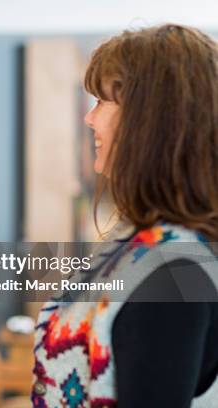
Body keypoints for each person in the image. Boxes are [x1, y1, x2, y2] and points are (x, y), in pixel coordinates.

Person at [32, 24, 218, 407]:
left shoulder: (174, 269)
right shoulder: (138, 240)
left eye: (102, 102)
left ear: (148, 122)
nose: (89, 119)